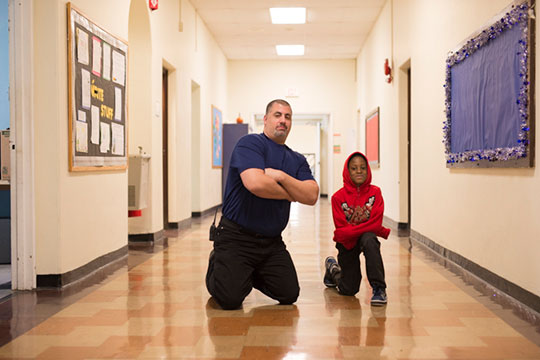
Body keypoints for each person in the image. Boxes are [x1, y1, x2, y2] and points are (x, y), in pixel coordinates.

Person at [206, 99, 319, 310]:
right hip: (236, 238)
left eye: (287, 117)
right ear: (266, 120)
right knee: (230, 300)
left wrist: (282, 177)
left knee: (289, 294)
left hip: (271, 243)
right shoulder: (250, 144)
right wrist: (293, 193)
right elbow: (256, 184)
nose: (283, 121)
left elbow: (312, 195)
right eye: (277, 115)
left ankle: (246, 271)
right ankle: (218, 263)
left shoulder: (297, 160)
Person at [323, 151, 390, 306]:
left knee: (370, 240)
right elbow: (341, 231)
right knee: (349, 290)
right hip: (347, 243)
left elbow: (375, 224)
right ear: (348, 172)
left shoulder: (375, 193)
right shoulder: (337, 198)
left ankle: (379, 288)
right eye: (354, 168)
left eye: (362, 168)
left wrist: (360, 229)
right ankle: (333, 269)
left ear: (368, 170)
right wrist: (372, 228)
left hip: (363, 237)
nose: (359, 171)